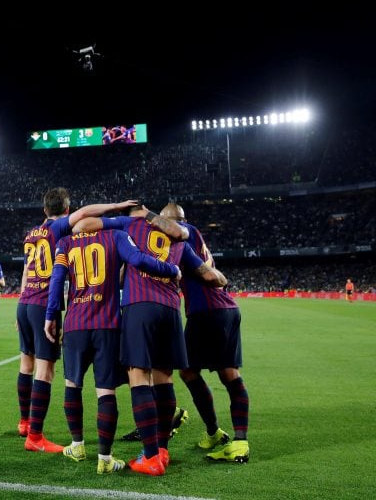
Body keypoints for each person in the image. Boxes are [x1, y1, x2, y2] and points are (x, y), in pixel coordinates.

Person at [74, 207, 227, 475]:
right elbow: (210, 276)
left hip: (140, 306)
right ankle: (162, 450)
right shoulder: (182, 241)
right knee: (164, 378)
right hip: (170, 310)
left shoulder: (130, 224)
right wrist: (225, 280)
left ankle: (151, 456)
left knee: (138, 376)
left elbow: (83, 225)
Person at [44, 228, 181, 474]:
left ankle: (77, 445)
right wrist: (172, 270)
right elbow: (138, 259)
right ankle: (105, 459)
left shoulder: (65, 242)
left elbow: (57, 279)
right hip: (107, 324)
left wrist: (51, 314)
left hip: (75, 323)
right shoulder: (115, 236)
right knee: (105, 392)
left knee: (72, 384)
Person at [15, 187, 141, 451]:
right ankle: (35, 437)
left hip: (25, 301)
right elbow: (85, 214)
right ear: (66, 210)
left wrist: (20, 302)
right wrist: (116, 204)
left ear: (44, 209)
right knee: (44, 370)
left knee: (25, 364)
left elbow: (27, 269)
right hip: (41, 303)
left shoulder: (32, 234)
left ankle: (25, 422)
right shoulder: (57, 229)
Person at [161, 203, 251, 463]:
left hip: (207, 312)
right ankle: (231, 438)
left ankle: (228, 437)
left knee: (191, 371)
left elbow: (207, 275)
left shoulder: (183, 232)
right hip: (224, 309)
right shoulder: (193, 236)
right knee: (225, 373)